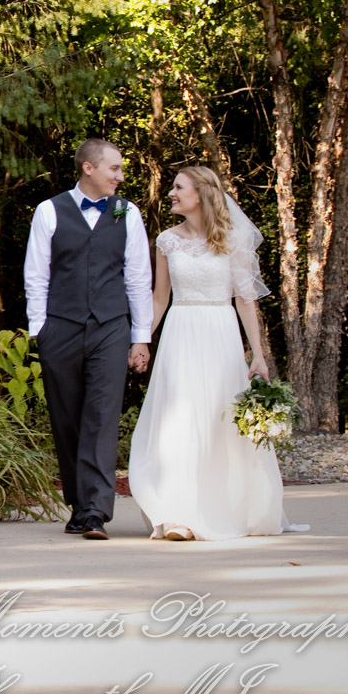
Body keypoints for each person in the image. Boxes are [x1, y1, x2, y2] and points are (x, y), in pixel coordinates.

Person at [127, 166, 309, 540]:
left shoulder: (230, 239)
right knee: (177, 422)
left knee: (219, 422)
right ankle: (178, 515)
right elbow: (159, 299)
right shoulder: (166, 241)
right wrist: (141, 339)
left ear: (201, 194)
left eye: (178, 187)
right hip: (180, 333)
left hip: (221, 335)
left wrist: (257, 354)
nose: (171, 193)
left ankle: (225, 508)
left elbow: (245, 301)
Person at [23, 138, 153, 540]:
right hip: (59, 326)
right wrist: (39, 329)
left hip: (111, 327)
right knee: (66, 417)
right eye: (114, 168)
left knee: (101, 416)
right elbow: (36, 275)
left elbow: (137, 279)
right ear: (89, 169)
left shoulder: (126, 213)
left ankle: (96, 510)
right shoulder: (49, 211)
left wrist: (140, 337)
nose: (120, 176)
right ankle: (79, 506)